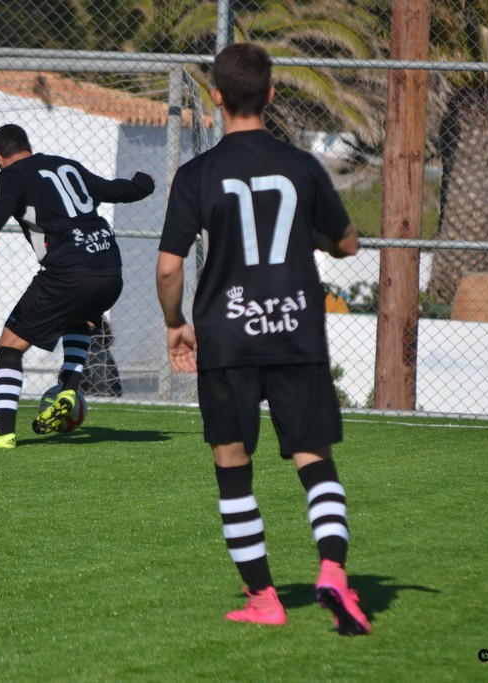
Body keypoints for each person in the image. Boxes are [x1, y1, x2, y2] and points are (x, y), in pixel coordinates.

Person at [155, 43, 370, 635]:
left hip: (227, 336)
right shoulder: (302, 166)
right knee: (314, 459)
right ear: (271, 96)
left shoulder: (197, 174)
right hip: (296, 331)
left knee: (232, 464)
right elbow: (348, 242)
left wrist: (175, 323)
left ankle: (264, 599)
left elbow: (169, 268)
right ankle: (333, 570)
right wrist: (313, 237)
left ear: (216, 97)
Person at [0, 123, 154, 449]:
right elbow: (113, 190)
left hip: (68, 273)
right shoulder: (66, 165)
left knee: (9, 346)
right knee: (78, 319)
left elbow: (3, 202)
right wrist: (142, 185)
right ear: (28, 146)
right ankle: (68, 390)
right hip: (110, 269)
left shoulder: (11, 174)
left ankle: (4, 433)